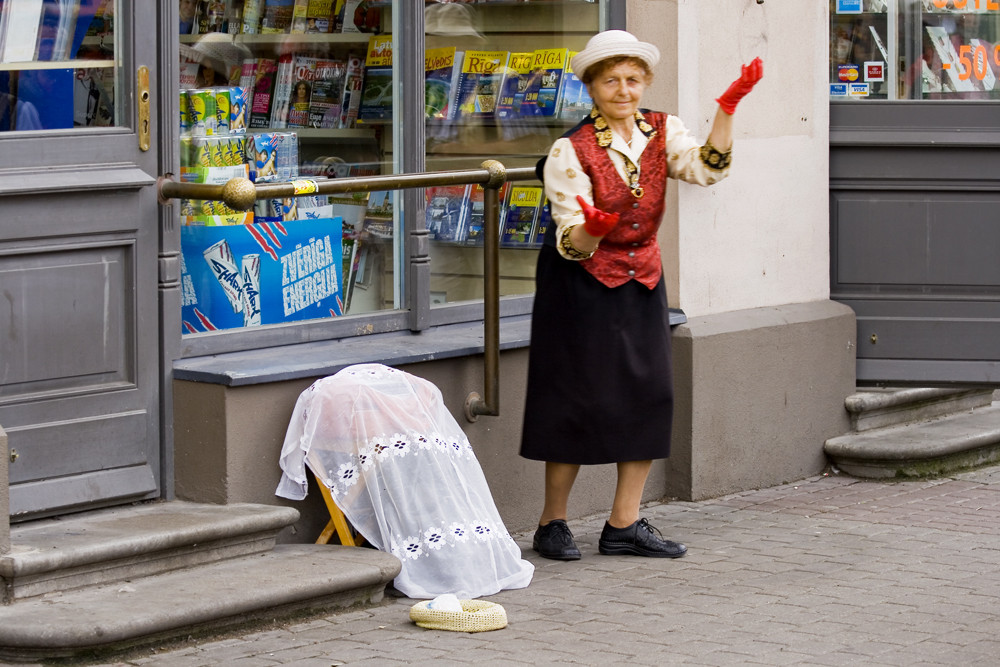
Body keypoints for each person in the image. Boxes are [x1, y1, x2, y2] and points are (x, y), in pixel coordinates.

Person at [520, 30, 763, 560]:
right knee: (572, 398)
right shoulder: (570, 149)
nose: (623, 90)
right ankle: (552, 522)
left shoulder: (662, 129)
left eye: (632, 80)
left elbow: (706, 168)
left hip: (643, 277)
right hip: (578, 282)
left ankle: (623, 524)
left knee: (648, 392)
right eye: (610, 81)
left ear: (645, 82)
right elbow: (569, 241)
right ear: (592, 88)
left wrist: (726, 110)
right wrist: (593, 229)